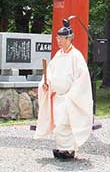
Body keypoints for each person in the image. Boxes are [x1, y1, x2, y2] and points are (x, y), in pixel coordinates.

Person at [35, 19, 94, 161]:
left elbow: (82, 78)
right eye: (58, 38)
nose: (59, 41)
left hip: (69, 97)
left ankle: (69, 150)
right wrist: (45, 84)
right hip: (56, 96)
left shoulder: (76, 56)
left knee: (66, 124)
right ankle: (62, 148)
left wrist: (71, 94)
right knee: (58, 125)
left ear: (69, 38)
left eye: (61, 38)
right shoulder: (58, 55)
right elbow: (49, 74)